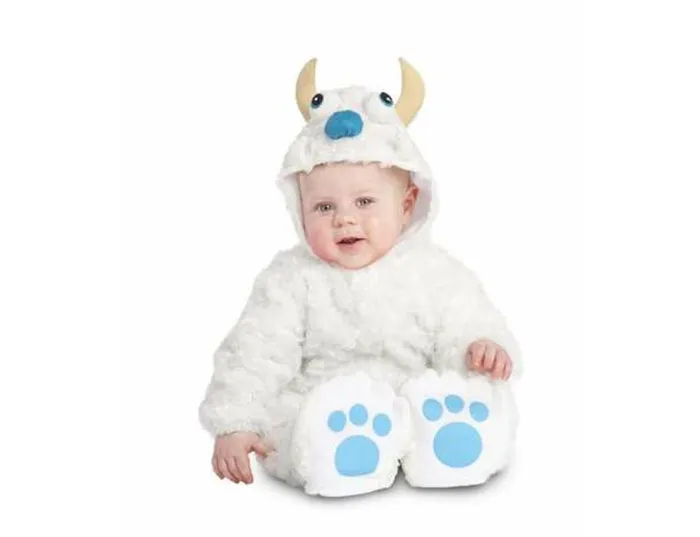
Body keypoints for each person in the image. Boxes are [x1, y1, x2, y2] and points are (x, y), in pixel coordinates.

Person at [199, 58, 522, 497]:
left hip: (413, 399)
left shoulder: (432, 271)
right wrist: (236, 421)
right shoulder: (291, 279)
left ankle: (447, 436)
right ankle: (343, 444)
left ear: (407, 205)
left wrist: (480, 348)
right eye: (324, 207)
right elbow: (257, 351)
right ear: (299, 210)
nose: (345, 219)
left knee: (463, 389)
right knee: (296, 430)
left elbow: (465, 320)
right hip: (320, 400)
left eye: (365, 202)